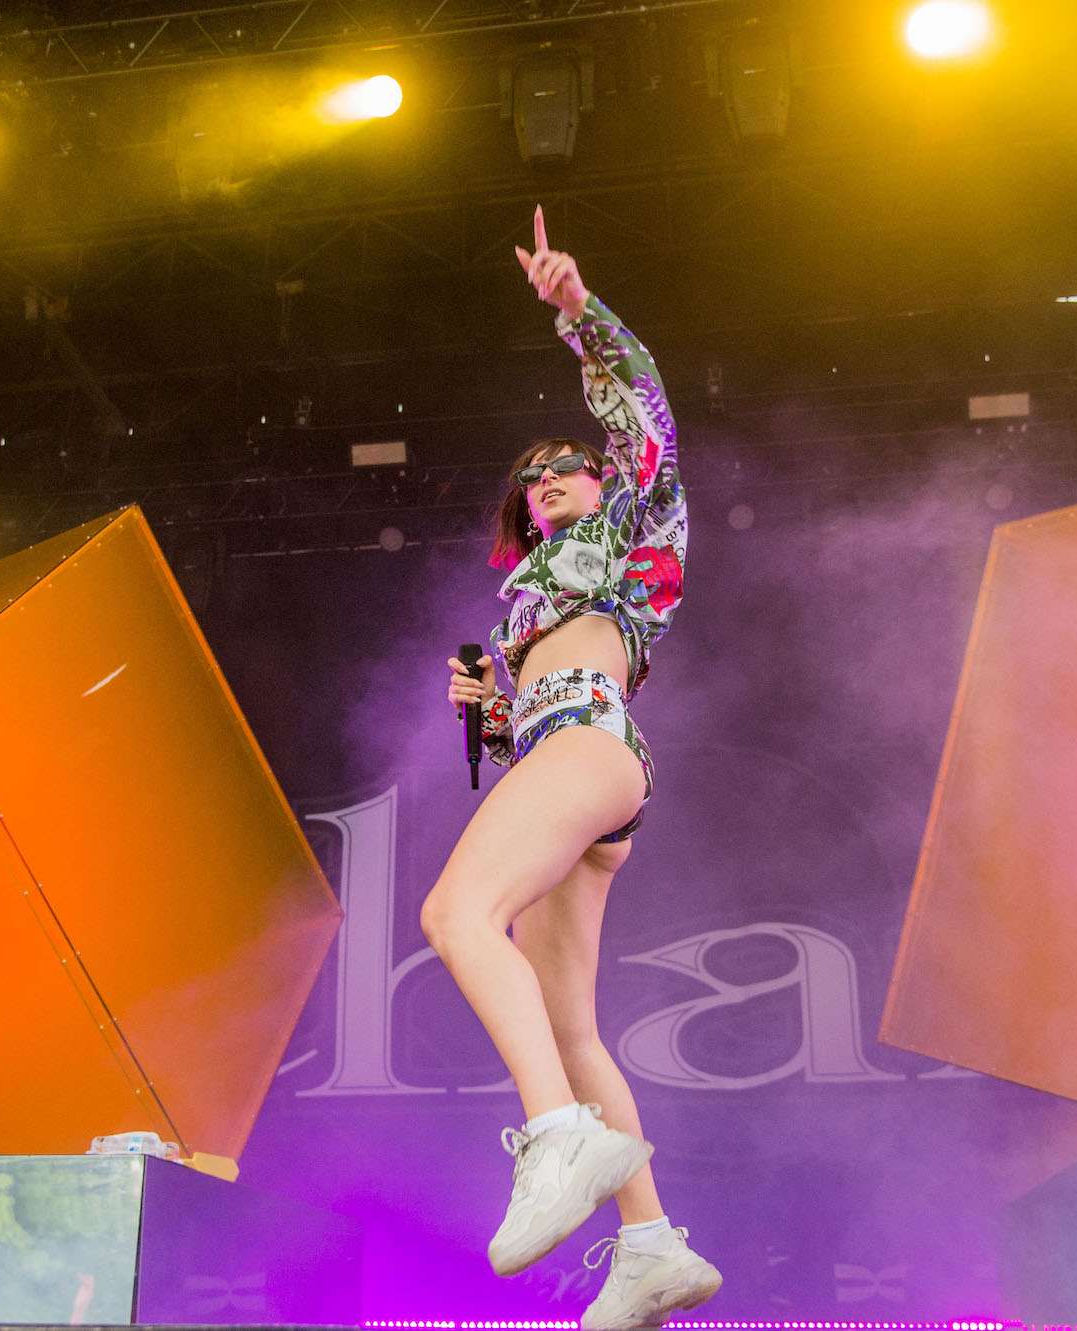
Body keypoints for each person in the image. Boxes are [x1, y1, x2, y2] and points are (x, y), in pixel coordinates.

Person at [429, 205, 717, 1329]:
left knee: (457, 913)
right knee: (567, 1025)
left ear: (604, 482)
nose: (546, 476)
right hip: (568, 753)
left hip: (595, 740)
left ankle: (556, 1137)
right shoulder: (532, 599)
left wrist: (576, 308)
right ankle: (649, 1245)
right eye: (531, 476)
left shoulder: (639, 521)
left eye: (566, 467)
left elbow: (643, 409)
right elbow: (528, 734)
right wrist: (493, 710)